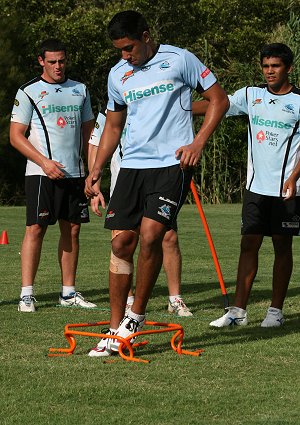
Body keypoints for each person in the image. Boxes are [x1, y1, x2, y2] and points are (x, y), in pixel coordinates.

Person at [85, 10, 228, 357]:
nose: (125, 56)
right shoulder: (118, 74)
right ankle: (115, 327)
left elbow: (218, 101)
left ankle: (135, 318)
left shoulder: (180, 59)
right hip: (132, 167)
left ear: (146, 36)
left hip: (172, 164)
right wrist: (97, 167)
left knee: (151, 236)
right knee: (121, 245)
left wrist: (198, 143)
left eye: (129, 47)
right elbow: (113, 126)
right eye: (119, 50)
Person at [194, 43, 300, 328]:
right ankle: (238, 311)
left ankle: (275, 312)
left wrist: (293, 177)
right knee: (248, 244)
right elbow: (217, 104)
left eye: (275, 66)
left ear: (288, 68)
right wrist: (177, 106)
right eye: (265, 66)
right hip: (255, 189)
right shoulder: (250, 95)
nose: (269, 72)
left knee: (282, 246)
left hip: (286, 190)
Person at [10, 38, 97, 312]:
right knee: (35, 229)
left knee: (72, 230)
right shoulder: (28, 92)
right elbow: (15, 136)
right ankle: (26, 294)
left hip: (76, 174)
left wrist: (92, 172)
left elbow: (89, 134)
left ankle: (68, 293)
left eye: (62, 61)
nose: (58, 66)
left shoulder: (80, 89)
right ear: (41, 61)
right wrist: (44, 162)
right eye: (52, 62)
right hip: (41, 173)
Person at [88, 111, 193, 317]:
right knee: (122, 241)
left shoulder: (153, 106)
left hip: (156, 179)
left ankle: (175, 298)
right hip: (124, 183)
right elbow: (95, 145)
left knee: (168, 237)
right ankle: (127, 300)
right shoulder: (109, 113)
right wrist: (96, 184)